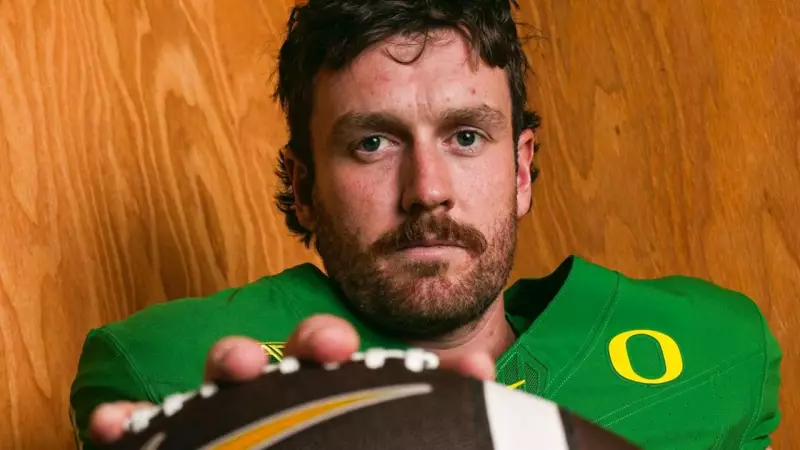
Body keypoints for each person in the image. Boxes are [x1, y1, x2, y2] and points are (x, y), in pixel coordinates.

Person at [69, 1, 782, 449]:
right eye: (372, 143)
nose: (427, 192)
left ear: (521, 168)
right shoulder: (170, 369)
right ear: (304, 188)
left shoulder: (720, 353)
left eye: (466, 136)